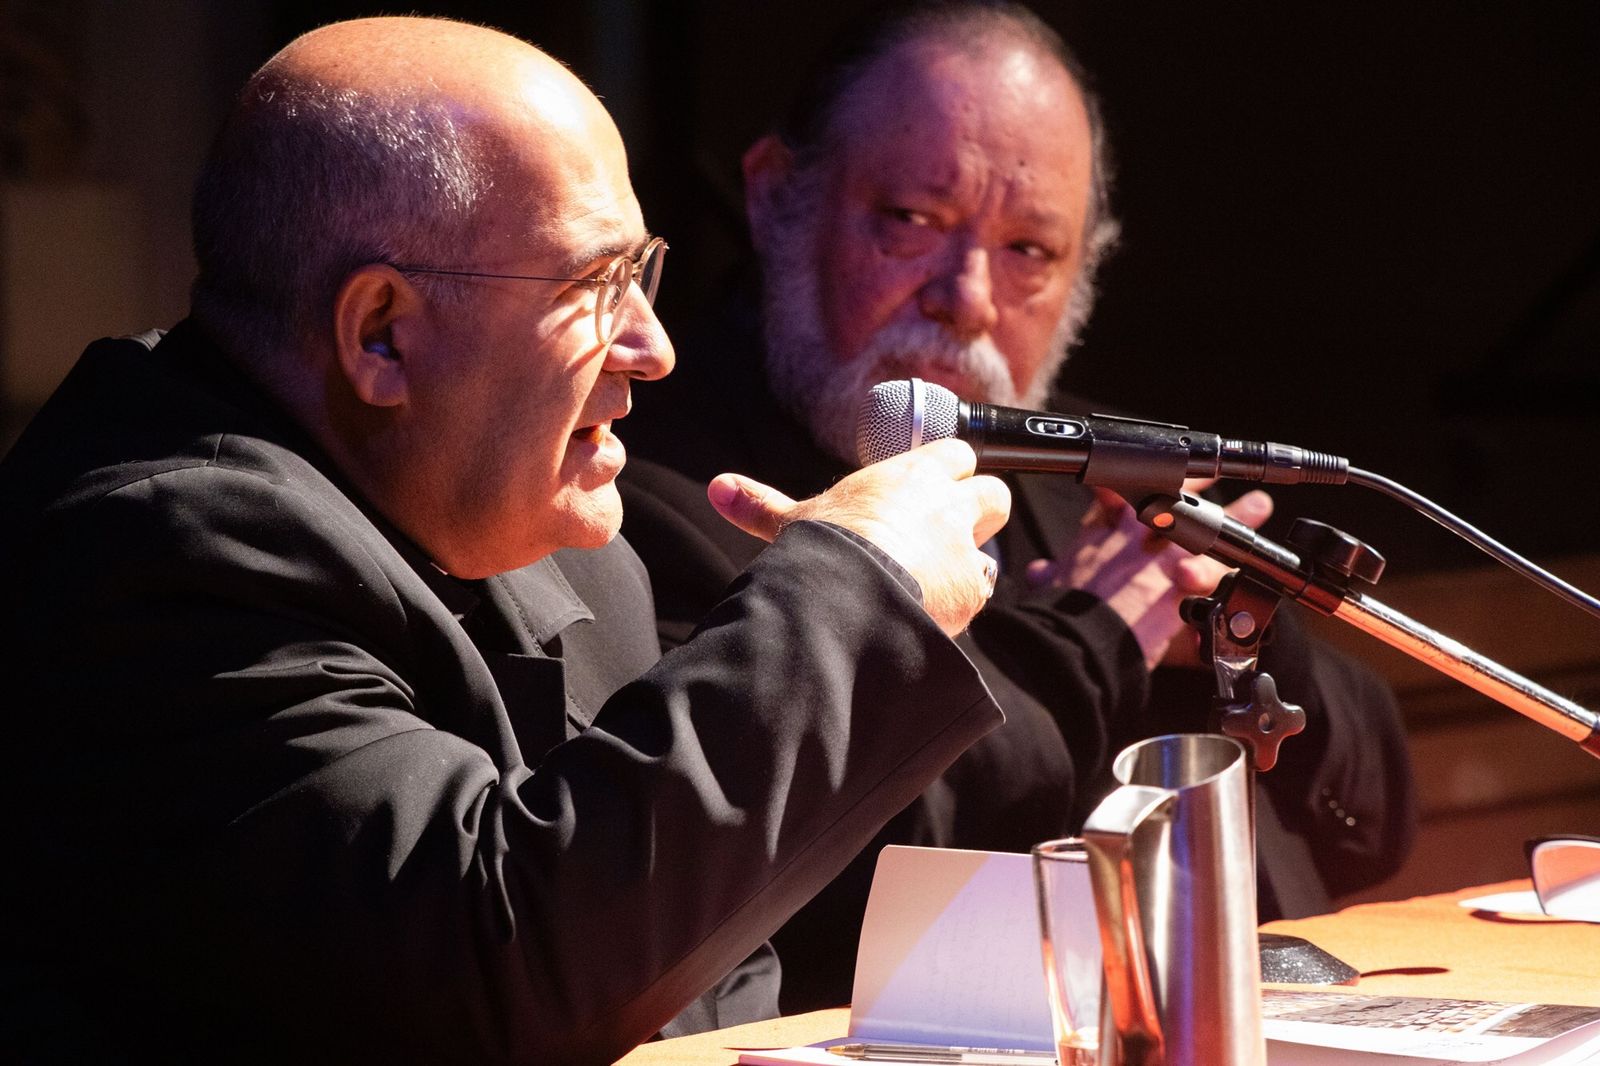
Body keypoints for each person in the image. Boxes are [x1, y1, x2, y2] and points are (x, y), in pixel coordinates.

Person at [0, 16, 1016, 1064]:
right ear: (382, 332)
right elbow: (484, 976)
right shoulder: (154, 554)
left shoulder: (555, 540)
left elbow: (709, 984)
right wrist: (853, 599)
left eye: (644, 274)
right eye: (592, 285)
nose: (653, 348)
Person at [619, 0, 1416, 1012]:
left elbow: (1375, 823)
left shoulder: (1095, 464)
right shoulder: (640, 487)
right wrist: (1093, 641)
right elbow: (828, 882)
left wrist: (1237, 632)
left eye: (1029, 251)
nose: (969, 296)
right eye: (911, 221)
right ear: (778, 199)